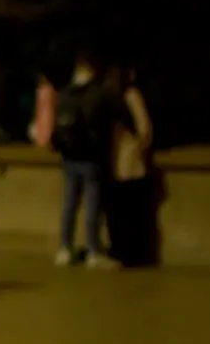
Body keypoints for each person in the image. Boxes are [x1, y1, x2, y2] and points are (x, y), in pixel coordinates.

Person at [52, 52, 119, 269]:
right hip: (91, 156)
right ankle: (93, 250)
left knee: (69, 203)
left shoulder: (65, 93)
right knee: (92, 204)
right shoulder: (98, 93)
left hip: (69, 155)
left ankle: (65, 247)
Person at [105, 67, 156, 267]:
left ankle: (125, 252)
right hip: (130, 164)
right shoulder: (130, 96)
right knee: (133, 213)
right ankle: (133, 253)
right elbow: (145, 130)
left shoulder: (113, 98)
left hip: (118, 164)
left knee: (122, 213)